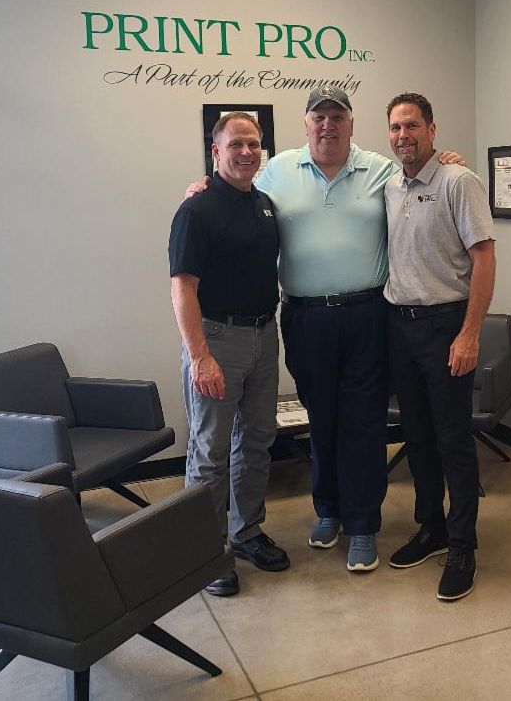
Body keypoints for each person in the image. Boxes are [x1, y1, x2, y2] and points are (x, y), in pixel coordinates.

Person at [186, 88, 463, 573]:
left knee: (363, 422)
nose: (328, 124)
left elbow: (421, 173)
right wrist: (200, 189)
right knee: (322, 418)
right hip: (305, 318)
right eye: (319, 116)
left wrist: (448, 161)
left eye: (337, 116)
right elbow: (234, 190)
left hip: (366, 315)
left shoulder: (380, 170)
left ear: (351, 124)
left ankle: (362, 523)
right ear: (306, 124)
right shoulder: (277, 171)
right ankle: (329, 510)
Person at [169, 112, 290, 597]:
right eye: (236, 144)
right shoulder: (196, 211)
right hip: (216, 339)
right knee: (210, 450)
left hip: (263, 335)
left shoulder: (264, 204)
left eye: (254, 144)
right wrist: (200, 356)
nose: (246, 152)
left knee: (258, 439)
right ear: (215, 152)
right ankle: (206, 551)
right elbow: (182, 289)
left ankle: (246, 532)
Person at [382, 92, 496, 602]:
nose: (403, 135)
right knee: (418, 437)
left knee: (453, 439)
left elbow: (485, 258)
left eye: (412, 125)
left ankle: (462, 545)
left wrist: (470, 333)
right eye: (395, 127)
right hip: (400, 326)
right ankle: (431, 528)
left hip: (446, 324)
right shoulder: (390, 186)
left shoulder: (458, 181)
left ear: (432, 130)